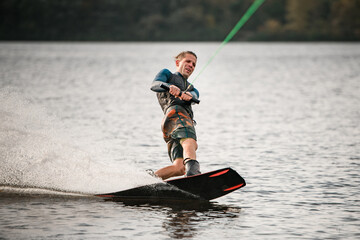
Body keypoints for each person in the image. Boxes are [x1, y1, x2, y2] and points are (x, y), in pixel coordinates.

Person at [150, 51, 200, 180]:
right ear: (178, 63)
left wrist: (189, 96)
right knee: (190, 141)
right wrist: (169, 86)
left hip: (171, 125)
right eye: (188, 61)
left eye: (194, 64)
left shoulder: (192, 88)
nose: (191, 65)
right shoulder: (167, 74)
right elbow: (155, 85)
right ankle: (193, 173)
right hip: (176, 115)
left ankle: (145, 180)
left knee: (179, 167)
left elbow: (196, 95)